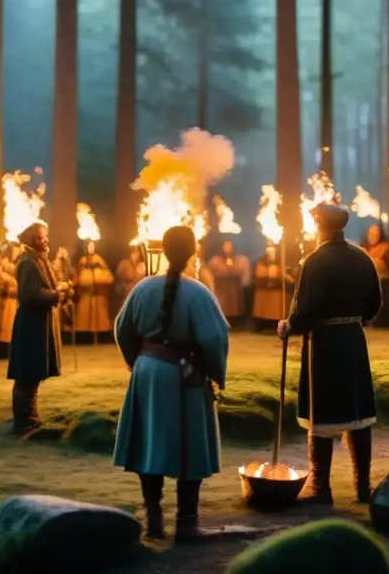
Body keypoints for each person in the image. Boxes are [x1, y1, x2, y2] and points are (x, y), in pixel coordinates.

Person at [114, 226, 231, 541]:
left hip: (147, 373)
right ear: (193, 252)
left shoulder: (142, 288)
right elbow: (214, 338)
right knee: (189, 444)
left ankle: (153, 516)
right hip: (184, 376)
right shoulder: (199, 292)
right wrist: (214, 373)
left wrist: (138, 363)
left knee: (149, 442)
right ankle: (187, 521)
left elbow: (122, 329)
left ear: (163, 252)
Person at [277, 203, 382, 505]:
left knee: (320, 412)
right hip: (353, 339)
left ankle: (321, 488)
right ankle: (363, 487)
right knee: (358, 413)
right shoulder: (362, 257)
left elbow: (306, 308)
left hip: (324, 344)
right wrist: (355, 317)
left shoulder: (315, 261)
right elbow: (375, 304)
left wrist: (289, 326)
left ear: (320, 227)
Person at [7, 222, 71, 434]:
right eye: (43, 237)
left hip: (39, 323)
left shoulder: (38, 260)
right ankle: (24, 421)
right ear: (35, 239)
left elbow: (44, 286)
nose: (47, 240)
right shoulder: (27, 262)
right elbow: (30, 294)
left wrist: (58, 288)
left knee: (34, 372)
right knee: (27, 373)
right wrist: (56, 295)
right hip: (30, 325)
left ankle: (30, 417)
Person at [75, 241, 114, 341]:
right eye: (89, 246)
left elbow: (109, 278)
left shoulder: (99, 260)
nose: (91, 248)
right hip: (86, 296)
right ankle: (85, 338)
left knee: (98, 319)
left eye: (92, 246)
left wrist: (97, 274)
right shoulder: (83, 261)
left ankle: (99, 337)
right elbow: (78, 279)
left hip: (98, 296)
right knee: (85, 320)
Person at [207, 239, 251, 322]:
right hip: (221, 286)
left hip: (234, 287)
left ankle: (235, 321)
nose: (228, 248)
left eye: (229, 246)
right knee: (223, 304)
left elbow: (242, 272)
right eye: (226, 246)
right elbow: (210, 272)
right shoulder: (216, 260)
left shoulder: (239, 259)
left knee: (234, 305)